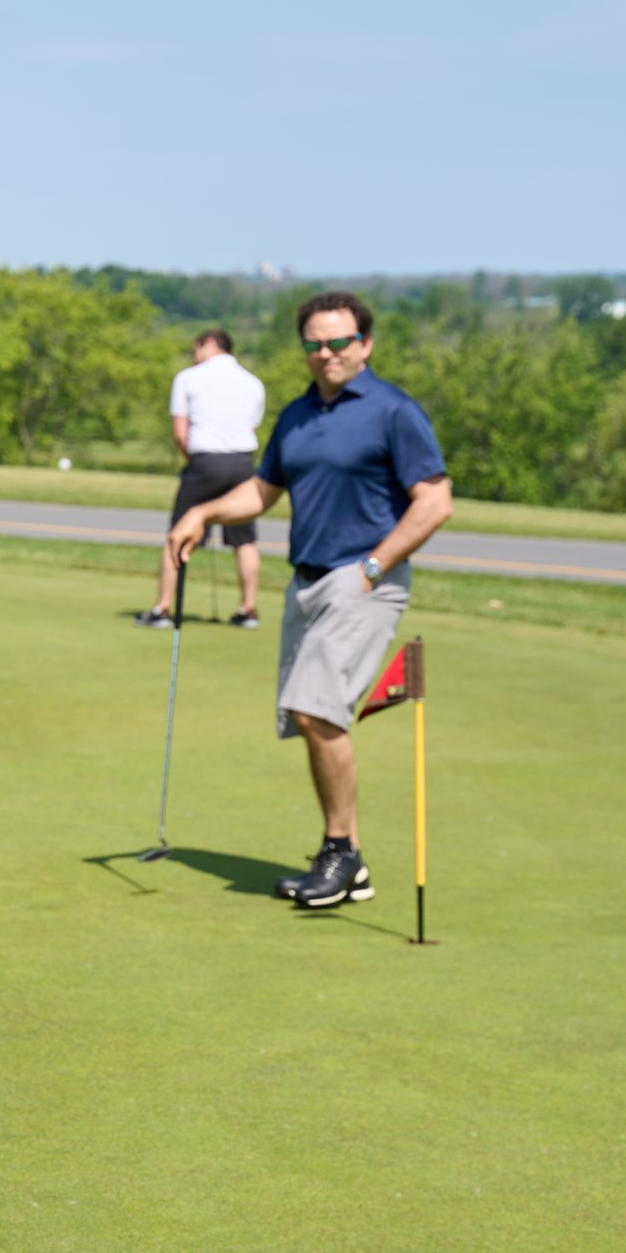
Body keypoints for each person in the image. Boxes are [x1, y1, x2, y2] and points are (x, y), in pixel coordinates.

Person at [167, 290, 453, 909]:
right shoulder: (297, 415)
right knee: (309, 717)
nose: (326, 353)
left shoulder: (393, 411)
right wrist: (202, 513)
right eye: (314, 344)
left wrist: (374, 567)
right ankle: (347, 861)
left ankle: (341, 854)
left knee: (316, 711)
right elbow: (262, 492)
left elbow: (435, 501)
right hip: (307, 582)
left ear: (365, 345)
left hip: (364, 579)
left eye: (339, 341)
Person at [139, 328, 266, 629]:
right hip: (243, 462)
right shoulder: (253, 382)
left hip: (204, 460)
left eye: (195, 349)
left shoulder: (187, 378)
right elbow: (253, 426)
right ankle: (248, 610)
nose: (193, 355)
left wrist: (195, 461)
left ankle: (163, 608)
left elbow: (180, 432)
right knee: (244, 539)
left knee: (179, 533)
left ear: (208, 344)